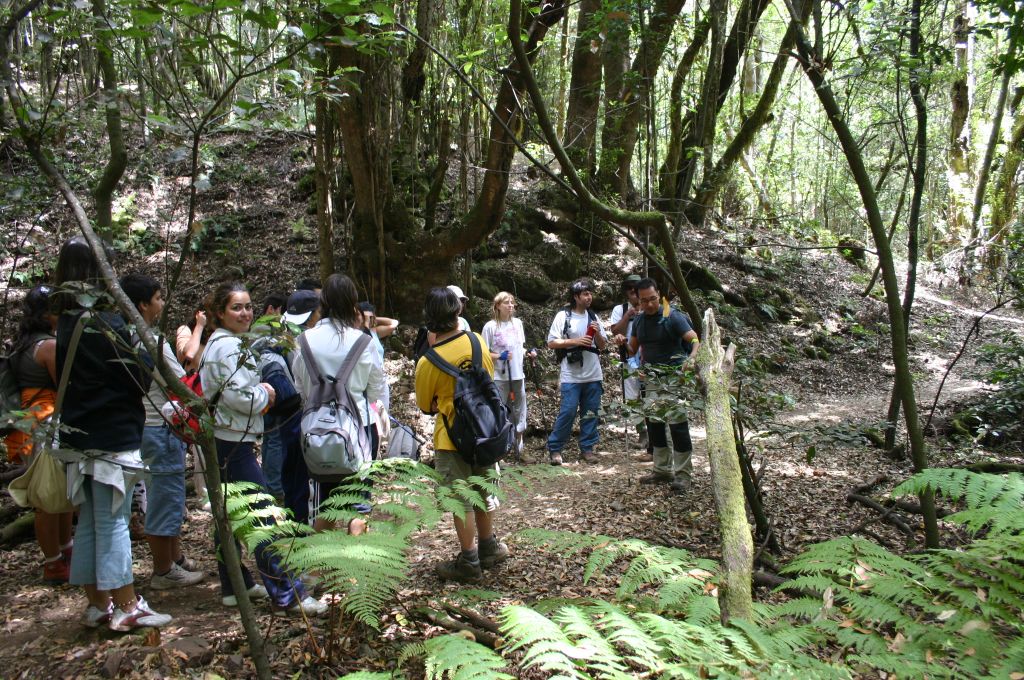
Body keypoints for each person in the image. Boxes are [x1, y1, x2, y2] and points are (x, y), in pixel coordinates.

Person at [53, 236, 173, 632]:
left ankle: (98, 604)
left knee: (91, 520)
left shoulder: (68, 321)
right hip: (111, 437)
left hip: (79, 436)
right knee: (113, 521)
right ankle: (126, 605)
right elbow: (138, 377)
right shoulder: (106, 323)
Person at [201, 281, 326, 615]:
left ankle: (234, 584)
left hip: (226, 439)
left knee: (230, 515)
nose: (245, 313)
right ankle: (288, 594)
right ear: (219, 313)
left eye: (247, 306)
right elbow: (239, 396)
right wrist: (266, 393)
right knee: (262, 518)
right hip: (233, 442)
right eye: (236, 308)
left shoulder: (221, 342)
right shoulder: (228, 347)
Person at [414, 287, 509, 583]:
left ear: (429, 319)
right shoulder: (477, 341)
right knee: (483, 489)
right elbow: (486, 378)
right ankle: (489, 546)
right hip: (487, 429)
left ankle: (469, 561)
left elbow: (425, 405)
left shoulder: (428, 362)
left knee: (461, 500)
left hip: (450, 437)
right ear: (458, 312)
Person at [121, 273, 205, 590]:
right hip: (159, 426)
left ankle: (174, 557)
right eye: (157, 298)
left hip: (154, 424)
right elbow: (177, 380)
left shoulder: (128, 336)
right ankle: (163, 570)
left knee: (169, 494)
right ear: (143, 304)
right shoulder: (145, 340)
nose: (161, 303)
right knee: (165, 497)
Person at [292, 275, 385, 533]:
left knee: (326, 506)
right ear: (353, 304)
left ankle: (320, 558)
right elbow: (376, 391)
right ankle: (354, 558)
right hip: (359, 429)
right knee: (359, 506)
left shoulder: (304, 340)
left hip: (317, 431)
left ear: (323, 302)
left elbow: (301, 388)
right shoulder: (363, 342)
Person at [4, 285, 75, 584]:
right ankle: (54, 562)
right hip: (45, 425)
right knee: (47, 497)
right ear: (47, 313)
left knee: (59, 491)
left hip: (31, 425)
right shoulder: (47, 346)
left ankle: (64, 550)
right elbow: (66, 386)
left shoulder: (23, 343)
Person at [628, 278, 700, 495]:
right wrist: (622, 342)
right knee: (655, 425)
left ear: (658, 295)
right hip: (651, 379)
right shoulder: (639, 321)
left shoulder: (672, 316)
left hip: (674, 379)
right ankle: (661, 470)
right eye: (644, 301)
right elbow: (632, 349)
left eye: (652, 299)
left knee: (678, 425)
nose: (649, 304)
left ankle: (683, 474)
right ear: (638, 301)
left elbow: (694, 340)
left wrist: (692, 359)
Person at [260, 289, 320, 498]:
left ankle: (270, 485)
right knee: (280, 443)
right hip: (289, 399)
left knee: (271, 439)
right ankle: (277, 490)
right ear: (312, 315)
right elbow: (302, 376)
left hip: (269, 390)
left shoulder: (277, 330)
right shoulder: (302, 338)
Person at [546, 278, 608, 465]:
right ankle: (555, 449)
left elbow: (603, 345)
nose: (589, 297)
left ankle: (587, 448)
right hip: (571, 374)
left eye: (590, 293)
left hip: (593, 373)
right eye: (585, 294)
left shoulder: (593, 316)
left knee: (590, 412)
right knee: (568, 411)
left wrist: (597, 333)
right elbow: (551, 342)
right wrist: (575, 341)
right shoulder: (563, 316)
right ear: (576, 296)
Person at [481, 292, 535, 459]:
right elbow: (483, 353)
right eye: (506, 302)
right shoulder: (490, 327)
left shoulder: (517, 323)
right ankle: (499, 453)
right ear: (497, 306)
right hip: (499, 377)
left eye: (512, 302)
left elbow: (519, 347)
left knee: (520, 411)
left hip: (518, 375)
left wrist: (528, 353)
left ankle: (520, 449)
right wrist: (499, 356)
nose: (511, 305)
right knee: (499, 412)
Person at [175, 302, 212, 509]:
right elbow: (188, 354)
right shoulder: (186, 331)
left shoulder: (216, 335)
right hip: (194, 396)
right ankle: (203, 495)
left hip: (213, 395)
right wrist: (199, 325)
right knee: (201, 447)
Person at [607, 274, 649, 451]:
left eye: (636, 290)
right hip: (629, 359)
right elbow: (615, 331)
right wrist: (627, 316)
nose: (634, 294)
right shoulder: (620, 309)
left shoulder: (650, 306)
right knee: (632, 399)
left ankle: (655, 435)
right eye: (630, 290)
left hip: (649, 360)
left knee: (649, 396)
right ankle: (642, 433)